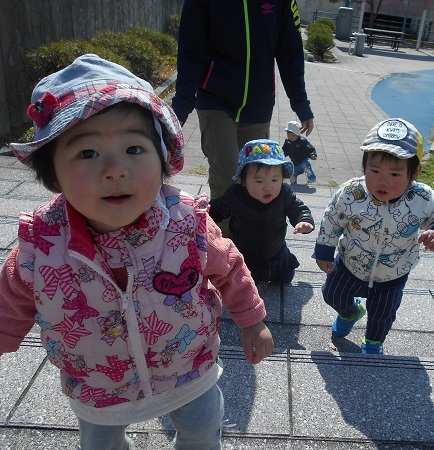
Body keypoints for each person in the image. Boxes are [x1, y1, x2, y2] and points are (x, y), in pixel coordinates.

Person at [0, 54, 274, 450]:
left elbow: (229, 268)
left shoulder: (187, 224)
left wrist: (252, 320)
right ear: (53, 173)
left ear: (162, 159)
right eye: (87, 153)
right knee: (100, 444)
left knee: (202, 429)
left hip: (188, 369)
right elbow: (9, 304)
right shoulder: (39, 247)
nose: (115, 170)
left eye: (133, 148)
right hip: (97, 386)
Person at [313, 118, 434, 355]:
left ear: (414, 172)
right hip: (350, 264)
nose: (383, 181)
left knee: (383, 314)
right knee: (332, 294)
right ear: (364, 166)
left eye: (395, 173)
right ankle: (350, 312)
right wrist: (324, 249)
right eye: (375, 171)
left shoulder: (423, 198)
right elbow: (332, 218)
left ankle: (373, 342)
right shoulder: (352, 192)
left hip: (394, 273)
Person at [172, 0, 315, 206]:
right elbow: (190, 50)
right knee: (226, 176)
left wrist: (301, 103)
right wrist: (181, 107)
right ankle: (220, 227)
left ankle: (250, 227)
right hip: (215, 99)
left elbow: (290, 51)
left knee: (257, 177)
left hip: (259, 104)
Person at [209, 139, 314, 284]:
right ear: (244, 181)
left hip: (276, 250)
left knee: (285, 277)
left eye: (275, 180)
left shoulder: (284, 194)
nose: (268, 187)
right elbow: (215, 209)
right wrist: (199, 213)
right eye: (259, 181)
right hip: (245, 254)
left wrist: (304, 220)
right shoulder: (235, 196)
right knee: (247, 282)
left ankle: (282, 266)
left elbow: (298, 209)